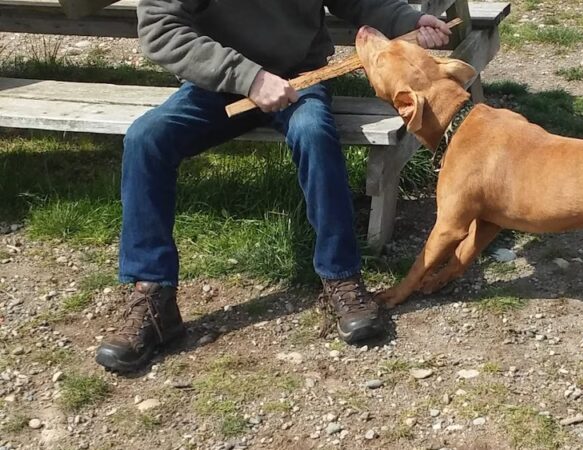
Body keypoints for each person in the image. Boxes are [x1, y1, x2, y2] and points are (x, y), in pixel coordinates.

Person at [94, 0, 451, 372]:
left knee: (313, 133)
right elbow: (159, 27)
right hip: (217, 85)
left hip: (299, 79)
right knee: (145, 139)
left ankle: (341, 277)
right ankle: (154, 298)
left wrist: (409, 20)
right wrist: (247, 77)